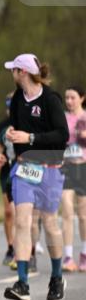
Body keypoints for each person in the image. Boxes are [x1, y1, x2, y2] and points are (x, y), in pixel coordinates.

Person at [1, 54, 69, 300]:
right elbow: (16, 126)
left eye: (14, 70)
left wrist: (29, 138)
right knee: (22, 222)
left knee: (50, 223)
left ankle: (57, 275)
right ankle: (22, 282)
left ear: (23, 72)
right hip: (24, 167)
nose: (12, 74)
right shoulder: (18, 98)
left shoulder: (51, 99)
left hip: (49, 166)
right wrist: (11, 133)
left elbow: (62, 135)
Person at [60, 85, 86, 271]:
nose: (69, 101)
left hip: (83, 168)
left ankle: (84, 254)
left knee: (83, 216)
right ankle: (68, 257)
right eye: (67, 97)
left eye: (73, 97)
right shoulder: (62, 118)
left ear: (82, 98)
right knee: (67, 212)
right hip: (66, 168)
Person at [0, 93, 18, 268]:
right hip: (8, 171)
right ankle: (11, 246)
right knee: (9, 211)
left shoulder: (29, 123)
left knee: (23, 212)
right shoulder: (2, 128)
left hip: (27, 170)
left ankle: (25, 248)